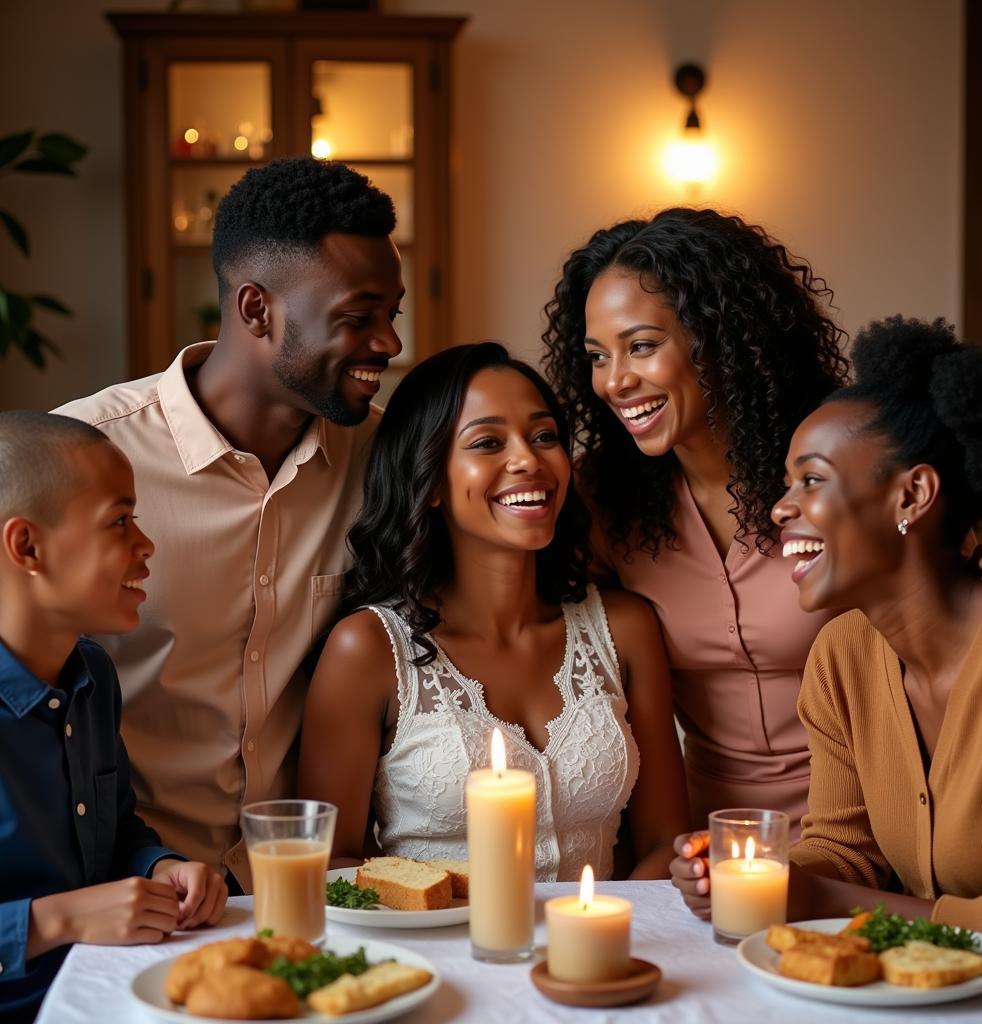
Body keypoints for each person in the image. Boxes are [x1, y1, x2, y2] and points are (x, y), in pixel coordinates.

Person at [542, 207, 982, 832]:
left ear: (721, 334)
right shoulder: (603, 501)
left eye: (640, 346)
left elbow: (953, 608)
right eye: (597, 356)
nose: (615, 381)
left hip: (877, 832)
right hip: (710, 840)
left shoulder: (843, 466)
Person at [56, 158, 404, 891]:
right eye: (357, 317)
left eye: (391, 315)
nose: (388, 344)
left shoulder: (383, 459)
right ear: (256, 310)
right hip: (133, 888)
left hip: (314, 883)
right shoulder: (82, 458)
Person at [671, 318, 982, 953]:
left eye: (810, 480)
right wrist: (763, 875)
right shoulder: (842, 656)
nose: (780, 508)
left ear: (912, 495)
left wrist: (823, 899)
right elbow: (846, 849)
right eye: (787, 482)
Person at [297, 343, 689, 880]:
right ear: (430, 480)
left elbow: (665, 844)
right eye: (486, 442)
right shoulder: (366, 649)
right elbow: (328, 865)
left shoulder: (624, 629)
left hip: (599, 953)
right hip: (438, 956)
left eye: (544, 436)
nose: (529, 459)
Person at [0, 413, 227, 1023]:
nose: (146, 545)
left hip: (112, 994)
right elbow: (73, 911)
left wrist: (163, 868)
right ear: (27, 546)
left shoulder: (93, 677)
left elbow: (116, 833)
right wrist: (58, 919)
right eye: (120, 522)